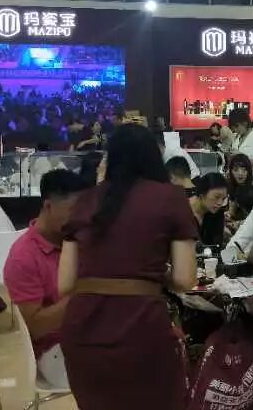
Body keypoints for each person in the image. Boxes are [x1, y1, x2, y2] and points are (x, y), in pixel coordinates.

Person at [57, 123, 197, 410]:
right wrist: (154, 276)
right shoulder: (171, 198)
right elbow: (185, 280)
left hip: (82, 333)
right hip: (142, 330)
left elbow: (65, 284)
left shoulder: (84, 201)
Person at [4, 169, 85, 389]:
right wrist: (86, 291)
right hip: (55, 352)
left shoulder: (76, 240)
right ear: (48, 206)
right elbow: (36, 327)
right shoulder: (23, 256)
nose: (81, 219)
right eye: (74, 211)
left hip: (88, 337)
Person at [189, 172, 229, 246]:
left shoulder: (218, 213)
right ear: (202, 193)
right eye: (216, 197)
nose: (220, 203)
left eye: (223, 199)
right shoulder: (181, 211)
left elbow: (216, 244)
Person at [226, 153, 253, 222]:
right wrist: (228, 215)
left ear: (249, 171)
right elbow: (232, 211)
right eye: (236, 170)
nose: (240, 173)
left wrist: (238, 223)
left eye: (244, 170)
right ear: (231, 171)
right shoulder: (232, 185)